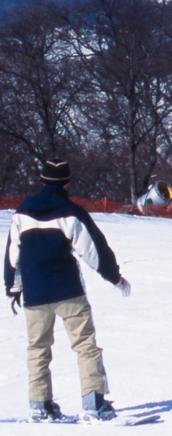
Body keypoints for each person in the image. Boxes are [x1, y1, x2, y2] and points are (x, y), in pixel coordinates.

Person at [3, 158, 131, 422]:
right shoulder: (71, 212)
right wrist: (115, 277)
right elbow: (94, 251)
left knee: (37, 348)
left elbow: (12, 254)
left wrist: (12, 287)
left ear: (42, 179)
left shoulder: (22, 211)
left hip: (35, 294)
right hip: (68, 290)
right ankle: (94, 403)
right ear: (67, 182)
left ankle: (40, 406)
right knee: (85, 345)